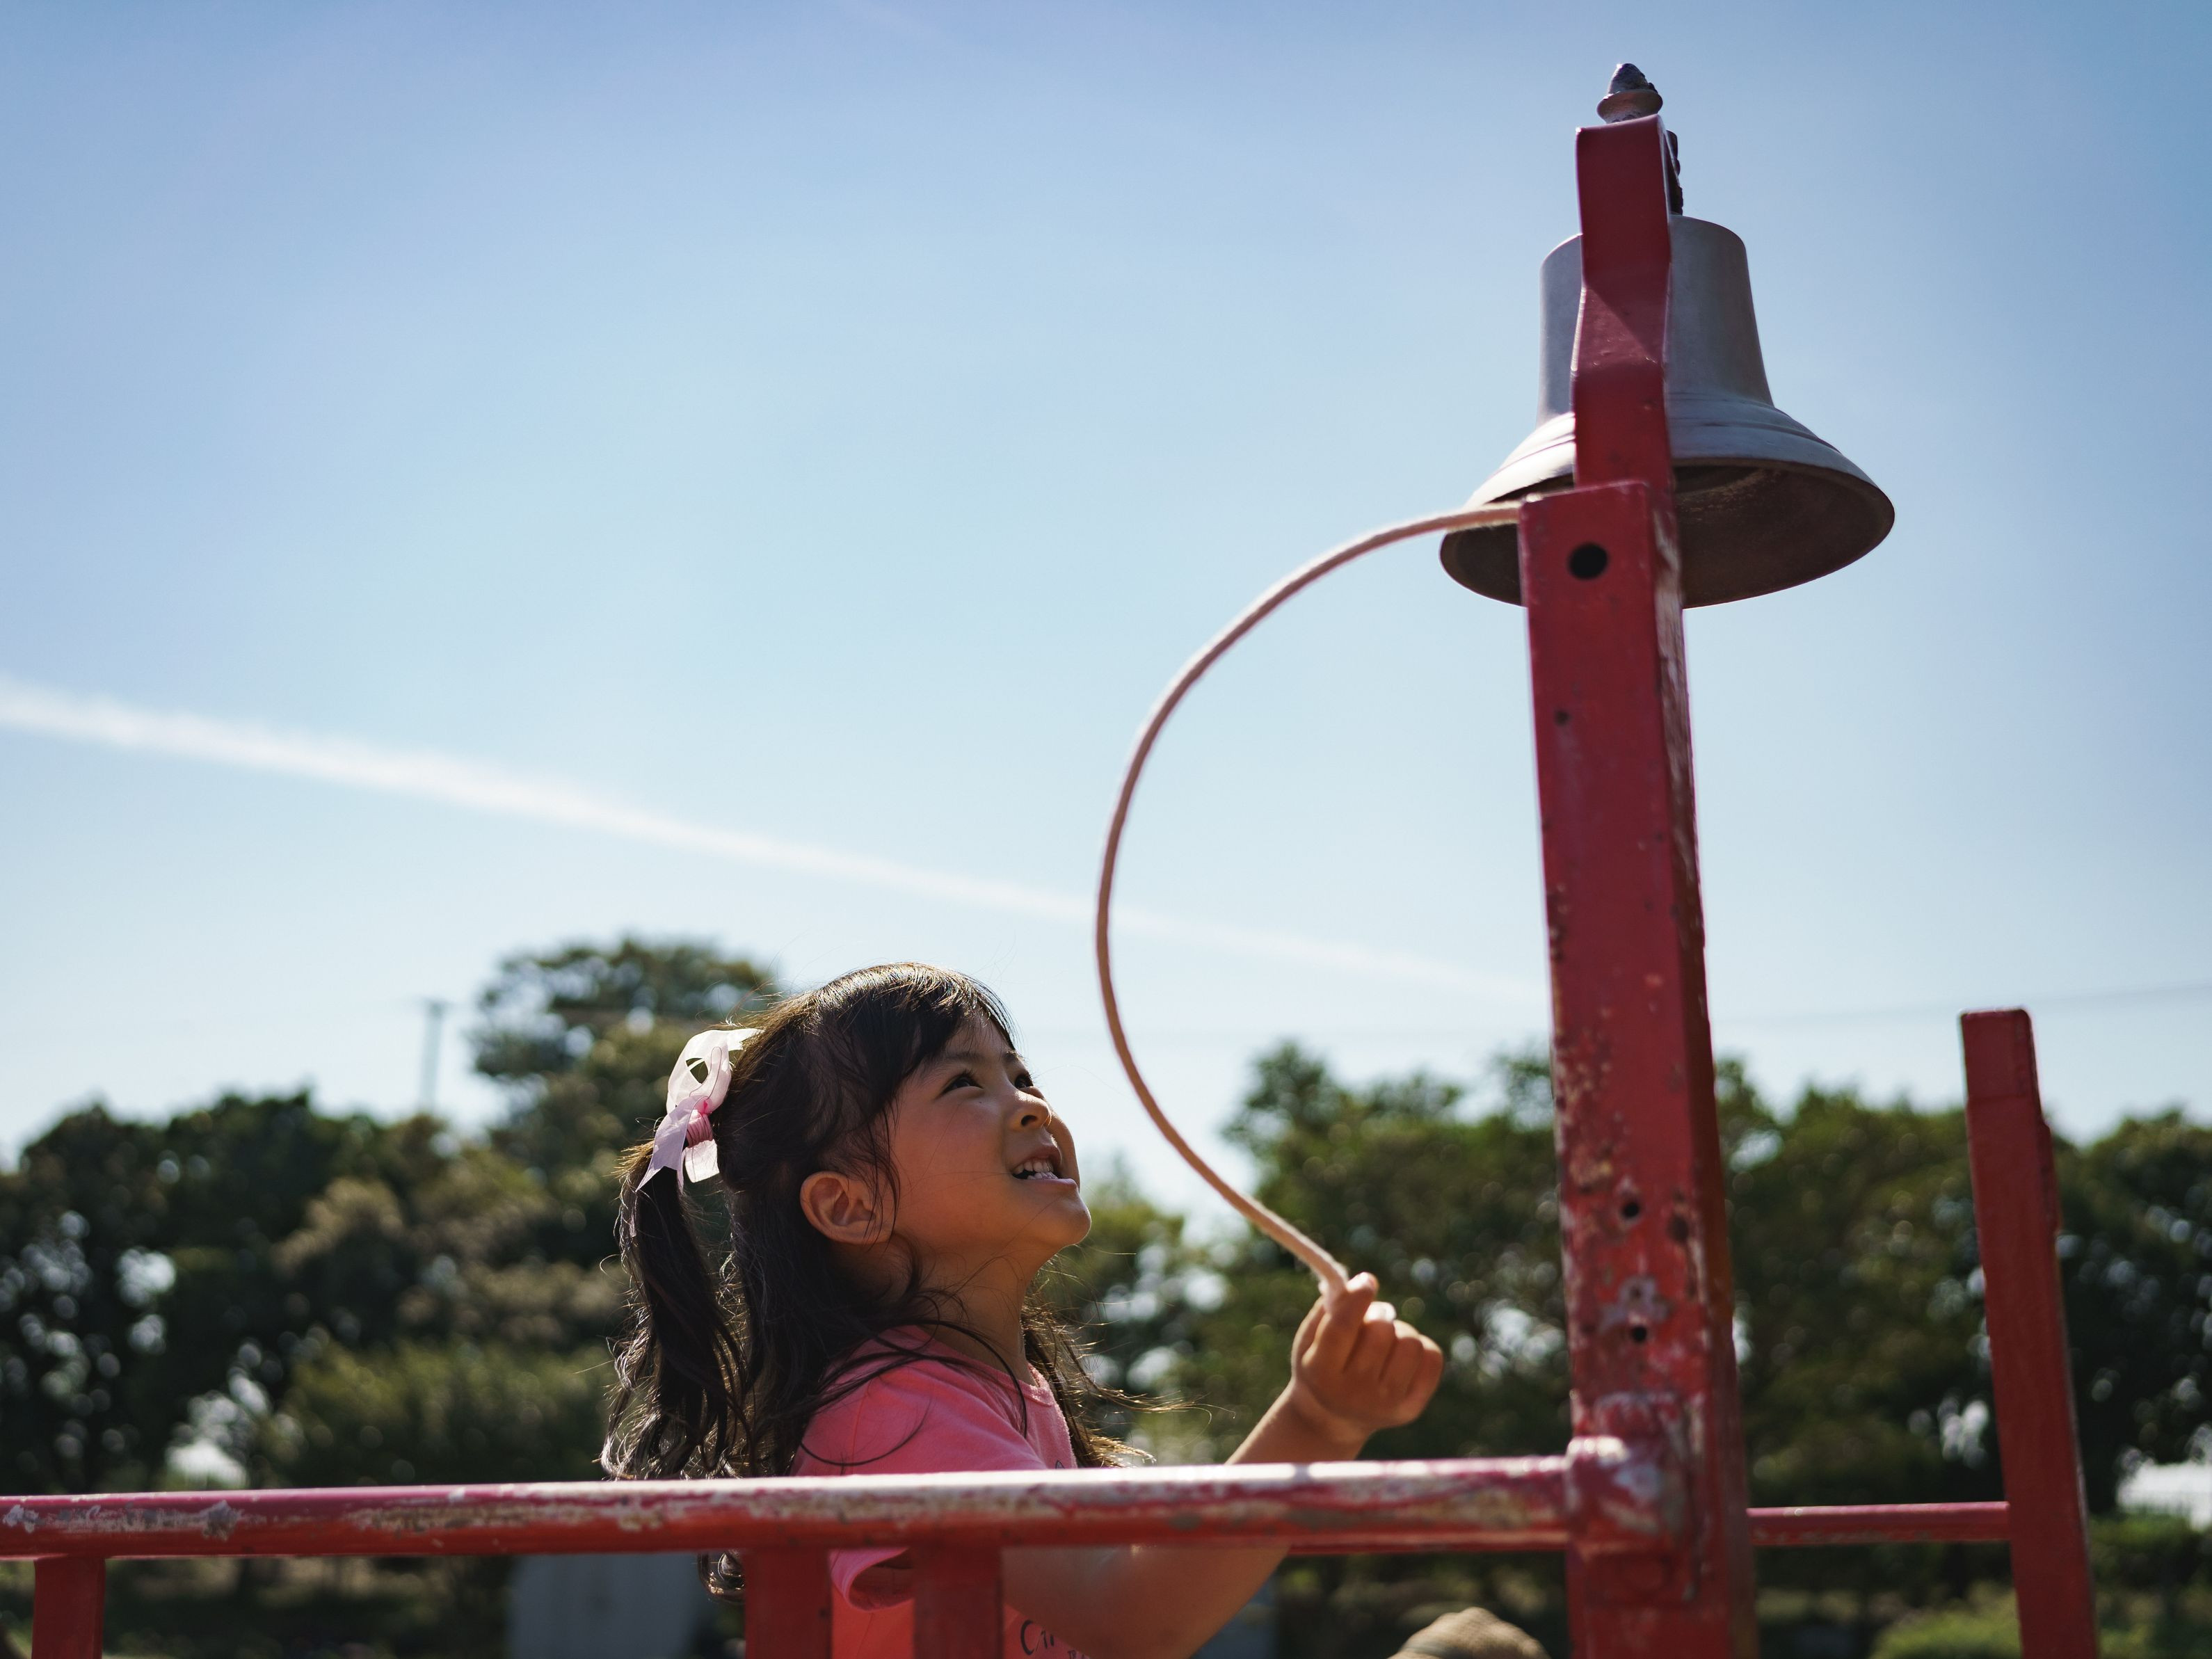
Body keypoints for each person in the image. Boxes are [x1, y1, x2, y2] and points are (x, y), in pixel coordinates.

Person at [604, 962, 1445, 1659]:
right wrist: (1317, 1423)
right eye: (963, 1083)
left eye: (1021, 1076)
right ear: (851, 1206)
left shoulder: (993, 1392)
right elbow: (1128, 1621)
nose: (1031, 1103)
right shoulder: (895, 1411)